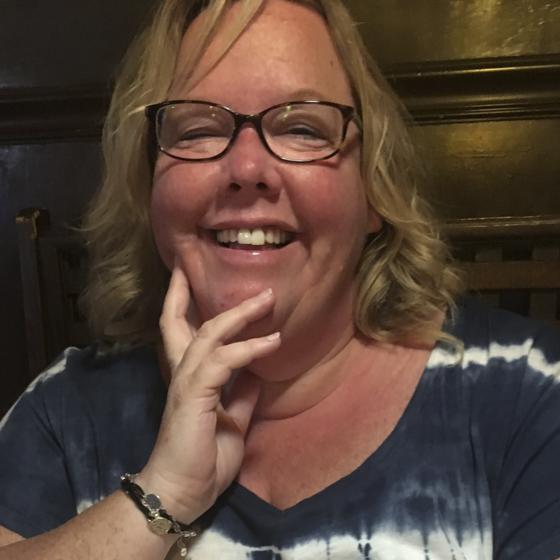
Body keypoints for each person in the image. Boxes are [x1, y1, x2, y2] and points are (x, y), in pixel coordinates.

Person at [1, 0, 559, 558]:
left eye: (302, 128)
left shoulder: (529, 392)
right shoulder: (65, 409)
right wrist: (163, 495)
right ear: (151, 189)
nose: (247, 170)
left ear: (372, 192)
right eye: (198, 129)